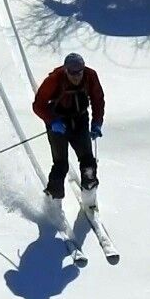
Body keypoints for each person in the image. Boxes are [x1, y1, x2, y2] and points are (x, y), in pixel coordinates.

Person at [32, 52, 104, 199]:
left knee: (88, 161)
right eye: (72, 72)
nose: (76, 76)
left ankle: (89, 194)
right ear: (66, 70)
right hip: (58, 123)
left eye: (79, 72)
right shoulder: (54, 79)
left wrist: (97, 122)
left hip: (80, 120)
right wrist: (52, 121)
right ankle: (53, 198)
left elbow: (98, 99)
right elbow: (38, 105)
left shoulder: (90, 76)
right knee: (60, 164)